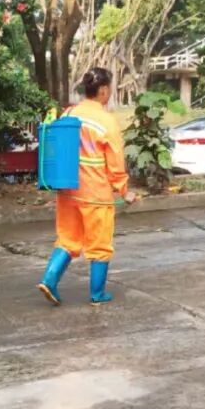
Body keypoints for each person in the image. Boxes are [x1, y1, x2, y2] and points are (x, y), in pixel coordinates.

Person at [37, 67, 138, 306]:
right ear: (103, 90)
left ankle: (49, 279)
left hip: (68, 191)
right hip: (95, 194)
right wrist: (125, 191)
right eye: (109, 88)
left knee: (68, 239)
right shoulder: (107, 121)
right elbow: (115, 164)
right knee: (99, 244)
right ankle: (97, 294)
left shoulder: (69, 113)